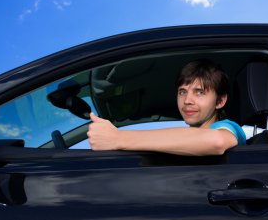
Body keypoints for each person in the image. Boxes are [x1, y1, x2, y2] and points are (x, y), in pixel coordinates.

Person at [87, 59, 246, 156]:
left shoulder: (228, 128)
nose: (187, 100)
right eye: (182, 92)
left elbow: (216, 141)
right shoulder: (186, 140)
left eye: (199, 92)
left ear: (220, 101)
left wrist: (118, 139)